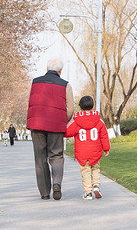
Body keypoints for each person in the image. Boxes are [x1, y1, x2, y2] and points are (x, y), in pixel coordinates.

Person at [27, 58, 74, 200]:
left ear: (46, 69)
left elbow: (30, 101)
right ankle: (57, 184)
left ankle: (45, 193)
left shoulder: (35, 82)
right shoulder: (66, 85)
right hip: (56, 125)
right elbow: (70, 108)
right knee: (56, 155)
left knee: (40, 158)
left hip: (37, 124)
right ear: (60, 71)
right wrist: (62, 121)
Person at [65, 96, 110, 200]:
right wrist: (106, 148)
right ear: (93, 106)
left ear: (80, 107)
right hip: (95, 151)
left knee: (85, 172)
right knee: (95, 169)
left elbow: (67, 132)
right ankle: (96, 186)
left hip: (82, 153)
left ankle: (88, 192)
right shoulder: (99, 121)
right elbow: (104, 135)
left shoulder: (76, 122)